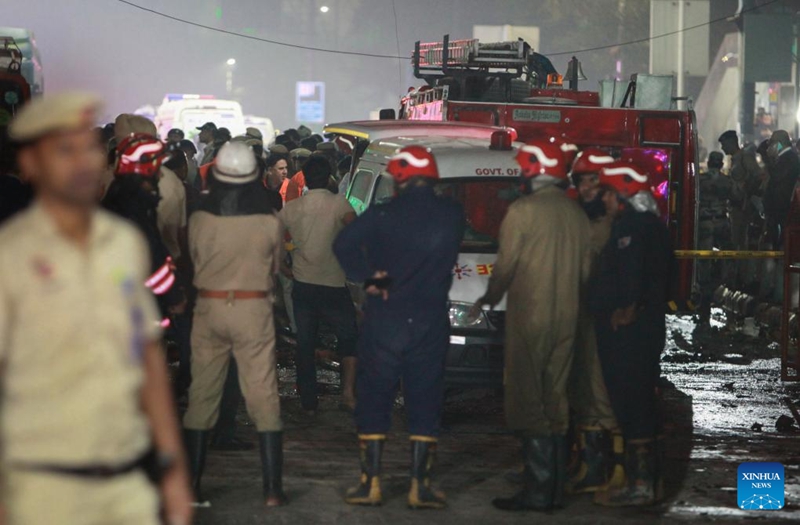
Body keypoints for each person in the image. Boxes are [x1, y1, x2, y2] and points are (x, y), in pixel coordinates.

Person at [1, 92, 192, 525]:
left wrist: (172, 472)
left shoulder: (119, 238)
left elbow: (148, 362)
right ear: (31, 166)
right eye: (64, 153)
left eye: (87, 151)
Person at [334, 145, 464, 509]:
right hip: (430, 320)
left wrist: (367, 277)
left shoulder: (381, 214)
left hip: (386, 320)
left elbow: (343, 244)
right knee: (425, 398)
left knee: (375, 396)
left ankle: (370, 484)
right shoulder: (452, 215)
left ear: (400, 177)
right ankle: (419, 487)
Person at [472, 141, 591, 512]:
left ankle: (537, 491)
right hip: (569, 318)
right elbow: (587, 272)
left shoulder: (522, 211)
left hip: (531, 317)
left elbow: (505, 266)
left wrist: (488, 297)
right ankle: (555, 491)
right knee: (557, 399)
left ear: (532, 172)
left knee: (527, 399)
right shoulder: (576, 214)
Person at [182, 141, 287, 507]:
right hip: (252, 309)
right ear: (255, 176)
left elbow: (192, 262)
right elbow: (275, 269)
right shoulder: (269, 221)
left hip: (209, 309)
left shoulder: (198, 218)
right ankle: (272, 490)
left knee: (202, 395)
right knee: (262, 393)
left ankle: (192, 487)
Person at [590, 162, 673, 507]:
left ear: (621, 195)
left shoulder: (632, 228)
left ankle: (641, 484)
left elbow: (634, 276)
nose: (604, 200)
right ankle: (648, 482)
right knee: (639, 402)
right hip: (646, 329)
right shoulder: (652, 225)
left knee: (633, 402)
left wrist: (627, 310)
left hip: (632, 334)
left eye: (608, 193)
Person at [280, 156, 359, 413]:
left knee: (305, 342)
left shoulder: (292, 208)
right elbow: (356, 231)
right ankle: (347, 394)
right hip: (334, 285)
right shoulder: (340, 203)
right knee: (349, 338)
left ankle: (309, 402)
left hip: (303, 285)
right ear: (329, 178)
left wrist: (282, 267)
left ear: (304, 177)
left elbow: (270, 237)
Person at [565, 148, 619, 494]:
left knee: (600, 394)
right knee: (582, 391)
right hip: (581, 318)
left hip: (603, 320)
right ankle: (589, 463)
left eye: (593, 181)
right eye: (582, 181)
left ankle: (606, 469)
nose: (587, 188)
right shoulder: (583, 221)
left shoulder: (609, 227)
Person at [696, 151, 732, 328]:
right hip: (721, 223)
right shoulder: (726, 181)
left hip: (704, 224)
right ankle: (722, 285)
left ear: (709, 163)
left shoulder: (700, 180)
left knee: (704, 262)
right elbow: (738, 197)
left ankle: (704, 299)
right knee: (728, 256)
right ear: (721, 164)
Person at [719, 130, 761, 252]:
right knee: (736, 239)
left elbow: (757, 175)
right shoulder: (735, 159)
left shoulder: (745, 157)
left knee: (740, 240)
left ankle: (742, 269)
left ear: (732, 143)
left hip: (743, 207)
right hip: (736, 205)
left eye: (724, 144)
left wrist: (746, 194)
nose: (723, 148)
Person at [764, 130, 800, 249]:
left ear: (779, 143)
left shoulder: (790, 158)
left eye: (772, 143)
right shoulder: (785, 157)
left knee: (782, 243)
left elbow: (777, 176)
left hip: (784, 208)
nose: (770, 147)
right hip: (779, 209)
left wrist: (768, 159)